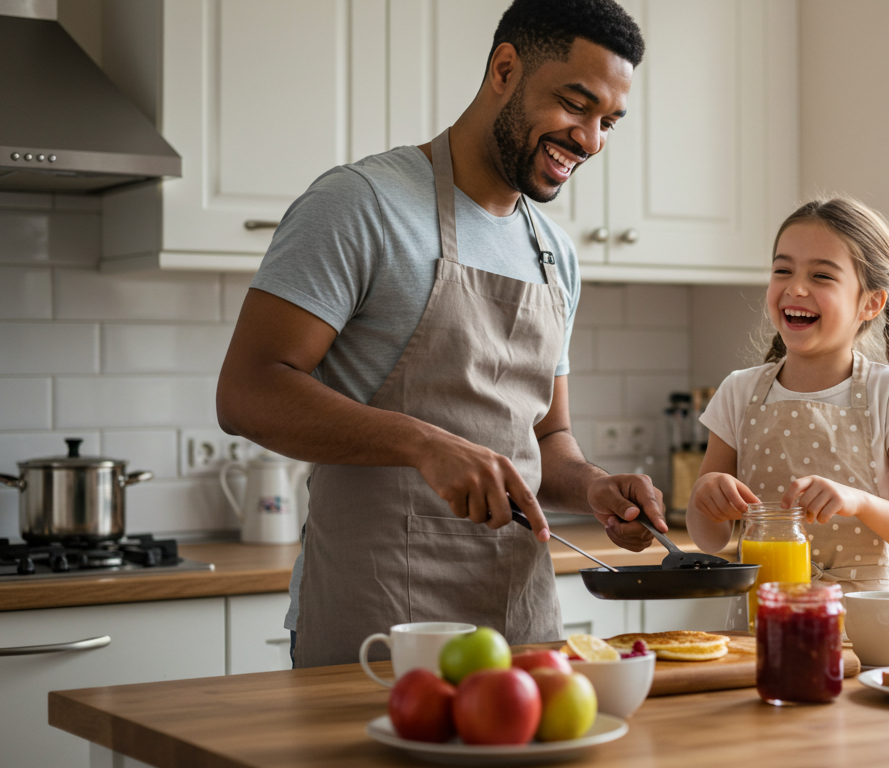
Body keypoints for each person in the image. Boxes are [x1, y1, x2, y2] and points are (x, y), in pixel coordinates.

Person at [216, 0, 665, 669]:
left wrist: (594, 487)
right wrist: (424, 444)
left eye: (610, 122)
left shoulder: (555, 254)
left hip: (521, 626)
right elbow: (247, 393)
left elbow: (546, 439)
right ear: (504, 70)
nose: (592, 140)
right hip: (379, 624)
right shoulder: (361, 204)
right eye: (576, 105)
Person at [685, 196, 889, 596]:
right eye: (782, 270)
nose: (795, 287)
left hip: (861, 621)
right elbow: (710, 538)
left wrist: (860, 502)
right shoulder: (738, 391)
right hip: (764, 617)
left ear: (871, 302)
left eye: (822, 276)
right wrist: (704, 497)